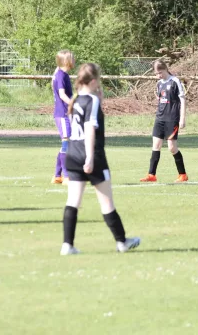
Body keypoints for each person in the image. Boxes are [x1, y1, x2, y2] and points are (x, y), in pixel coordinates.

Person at [60, 63, 140, 255]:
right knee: (106, 203)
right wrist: (89, 158)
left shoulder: (76, 99)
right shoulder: (92, 100)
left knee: (73, 201)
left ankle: (67, 245)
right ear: (93, 81)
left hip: (72, 154)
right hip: (91, 156)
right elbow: (89, 130)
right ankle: (122, 242)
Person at [140, 60, 188, 183]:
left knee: (172, 148)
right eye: (156, 74)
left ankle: (183, 175)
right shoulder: (159, 83)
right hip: (159, 118)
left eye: (160, 73)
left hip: (172, 119)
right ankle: (151, 175)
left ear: (165, 69)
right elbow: (161, 100)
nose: (158, 76)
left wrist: (182, 118)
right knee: (156, 146)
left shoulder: (175, 81)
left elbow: (182, 100)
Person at [51, 50, 75, 185]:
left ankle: (57, 176)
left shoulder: (62, 74)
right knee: (66, 143)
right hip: (62, 114)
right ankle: (66, 176)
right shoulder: (61, 75)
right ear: (66, 61)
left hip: (65, 113)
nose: (74, 60)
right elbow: (62, 94)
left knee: (66, 144)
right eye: (72, 58)